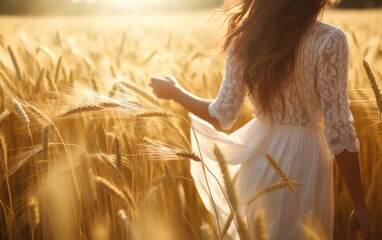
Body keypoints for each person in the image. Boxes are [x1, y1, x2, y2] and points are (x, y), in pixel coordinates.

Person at [149, 0, 370, 239]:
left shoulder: (248, 38)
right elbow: (338, 128)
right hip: (304, 164)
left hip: (258, 163)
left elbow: (222, 114)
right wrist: (359, 203)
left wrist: (175, 92)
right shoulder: (330, 40)